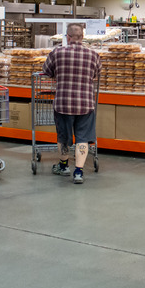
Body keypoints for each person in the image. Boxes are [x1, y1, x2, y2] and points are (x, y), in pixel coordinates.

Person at [42, 23, 101, 184]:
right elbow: (96, 74)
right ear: (83, 37)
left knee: (64, 137)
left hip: (63, 103)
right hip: (85, 103)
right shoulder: (93, 55)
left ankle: (63, 166)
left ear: (67, 37)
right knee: (83, 138)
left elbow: (47, 71)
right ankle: (78, 172)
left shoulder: (57, 53)